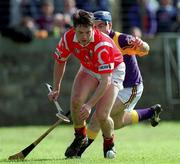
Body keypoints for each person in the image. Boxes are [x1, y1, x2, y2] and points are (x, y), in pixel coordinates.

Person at [77, 11, 163, 157]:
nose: (98, 29)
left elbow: (146, 49)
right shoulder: (92, 42)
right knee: (115, 123)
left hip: (130, 87)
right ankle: (151, 112)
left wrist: (142, 44)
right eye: (95, 26)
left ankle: (80, 151)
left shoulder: (121, 39)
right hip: (112, 85)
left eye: (102, 25)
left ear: (109, 25)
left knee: (100, 116)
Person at [48, 9, 126, 159]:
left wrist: (90, 105)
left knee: (102, 115)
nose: (84, 37)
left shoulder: (102, 45)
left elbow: (105, 81)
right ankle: (80, 138)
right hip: (89, 67)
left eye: (87, 32)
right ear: (74, 29)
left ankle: (109, 143)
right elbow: (60, 61)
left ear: (93, 29)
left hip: (113, 71)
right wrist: (56, 87)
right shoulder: (68, 38)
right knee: (76, 101)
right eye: (80, 32)